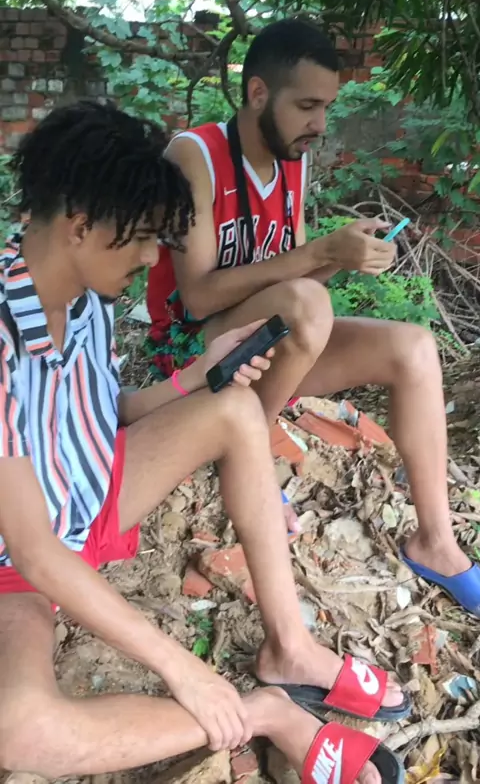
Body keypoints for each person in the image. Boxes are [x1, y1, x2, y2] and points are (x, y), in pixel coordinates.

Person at [0, 100, 407, 781]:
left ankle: (291, 647)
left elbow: (109, 413)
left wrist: (196, 377)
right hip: (20, 560)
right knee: (20, 731)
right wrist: (183, 668)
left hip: (97, 494)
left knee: (237, 409)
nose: (151, 257)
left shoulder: (87, 299)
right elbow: (35, 552)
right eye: (142, 239)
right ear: (80, 225)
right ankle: (268, 714)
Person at [146, 17, 480, 618]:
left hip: (267, 343)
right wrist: (320, 254)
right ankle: (245, 451)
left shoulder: (292, 163)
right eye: (306, 106)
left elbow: (293, 280)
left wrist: (343, 255)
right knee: (306, 303)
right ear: (257, 93)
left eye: (326, 106)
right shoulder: (194, 155)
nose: (320, 124)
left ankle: (436, 541)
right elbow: (196, 299)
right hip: (194, 352)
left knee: (414, 347)